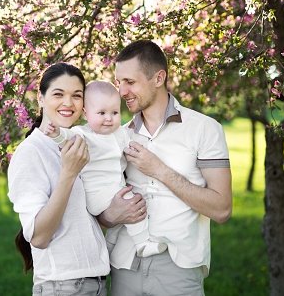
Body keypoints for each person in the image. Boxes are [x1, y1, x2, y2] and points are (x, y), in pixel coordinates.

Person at [97, 40, 233, 296]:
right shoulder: (119, 136)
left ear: (158, 78)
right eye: (119, 82)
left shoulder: (205, 129)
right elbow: (102, 207)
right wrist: (109, 216)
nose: (121, 91)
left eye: (130, 82)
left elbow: (222, 209)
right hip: (124, 265)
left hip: (179, 269)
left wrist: (159, 170)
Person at [7, 63, 123, 296]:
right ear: (41, 99)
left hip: (96, 281)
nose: (68, 103)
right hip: (64, 285)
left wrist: (113, 213)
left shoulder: (81, 143)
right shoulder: (31, 152)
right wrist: (68, 173)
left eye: (76, 96)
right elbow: (38, 236)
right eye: (58, 94)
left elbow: (80, 218)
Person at [43, 80, 167, 258]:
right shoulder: (83, 134)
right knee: (130, 202)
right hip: (96, 193)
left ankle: (109, 246)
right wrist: (57, 133)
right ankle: (142, 244)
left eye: (114, 112)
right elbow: (67, 137)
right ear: (86, 113)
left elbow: (133, 147)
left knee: (127, 210)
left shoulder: (120, 133)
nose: (109, 118)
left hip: (114, 187)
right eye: (101, 113)